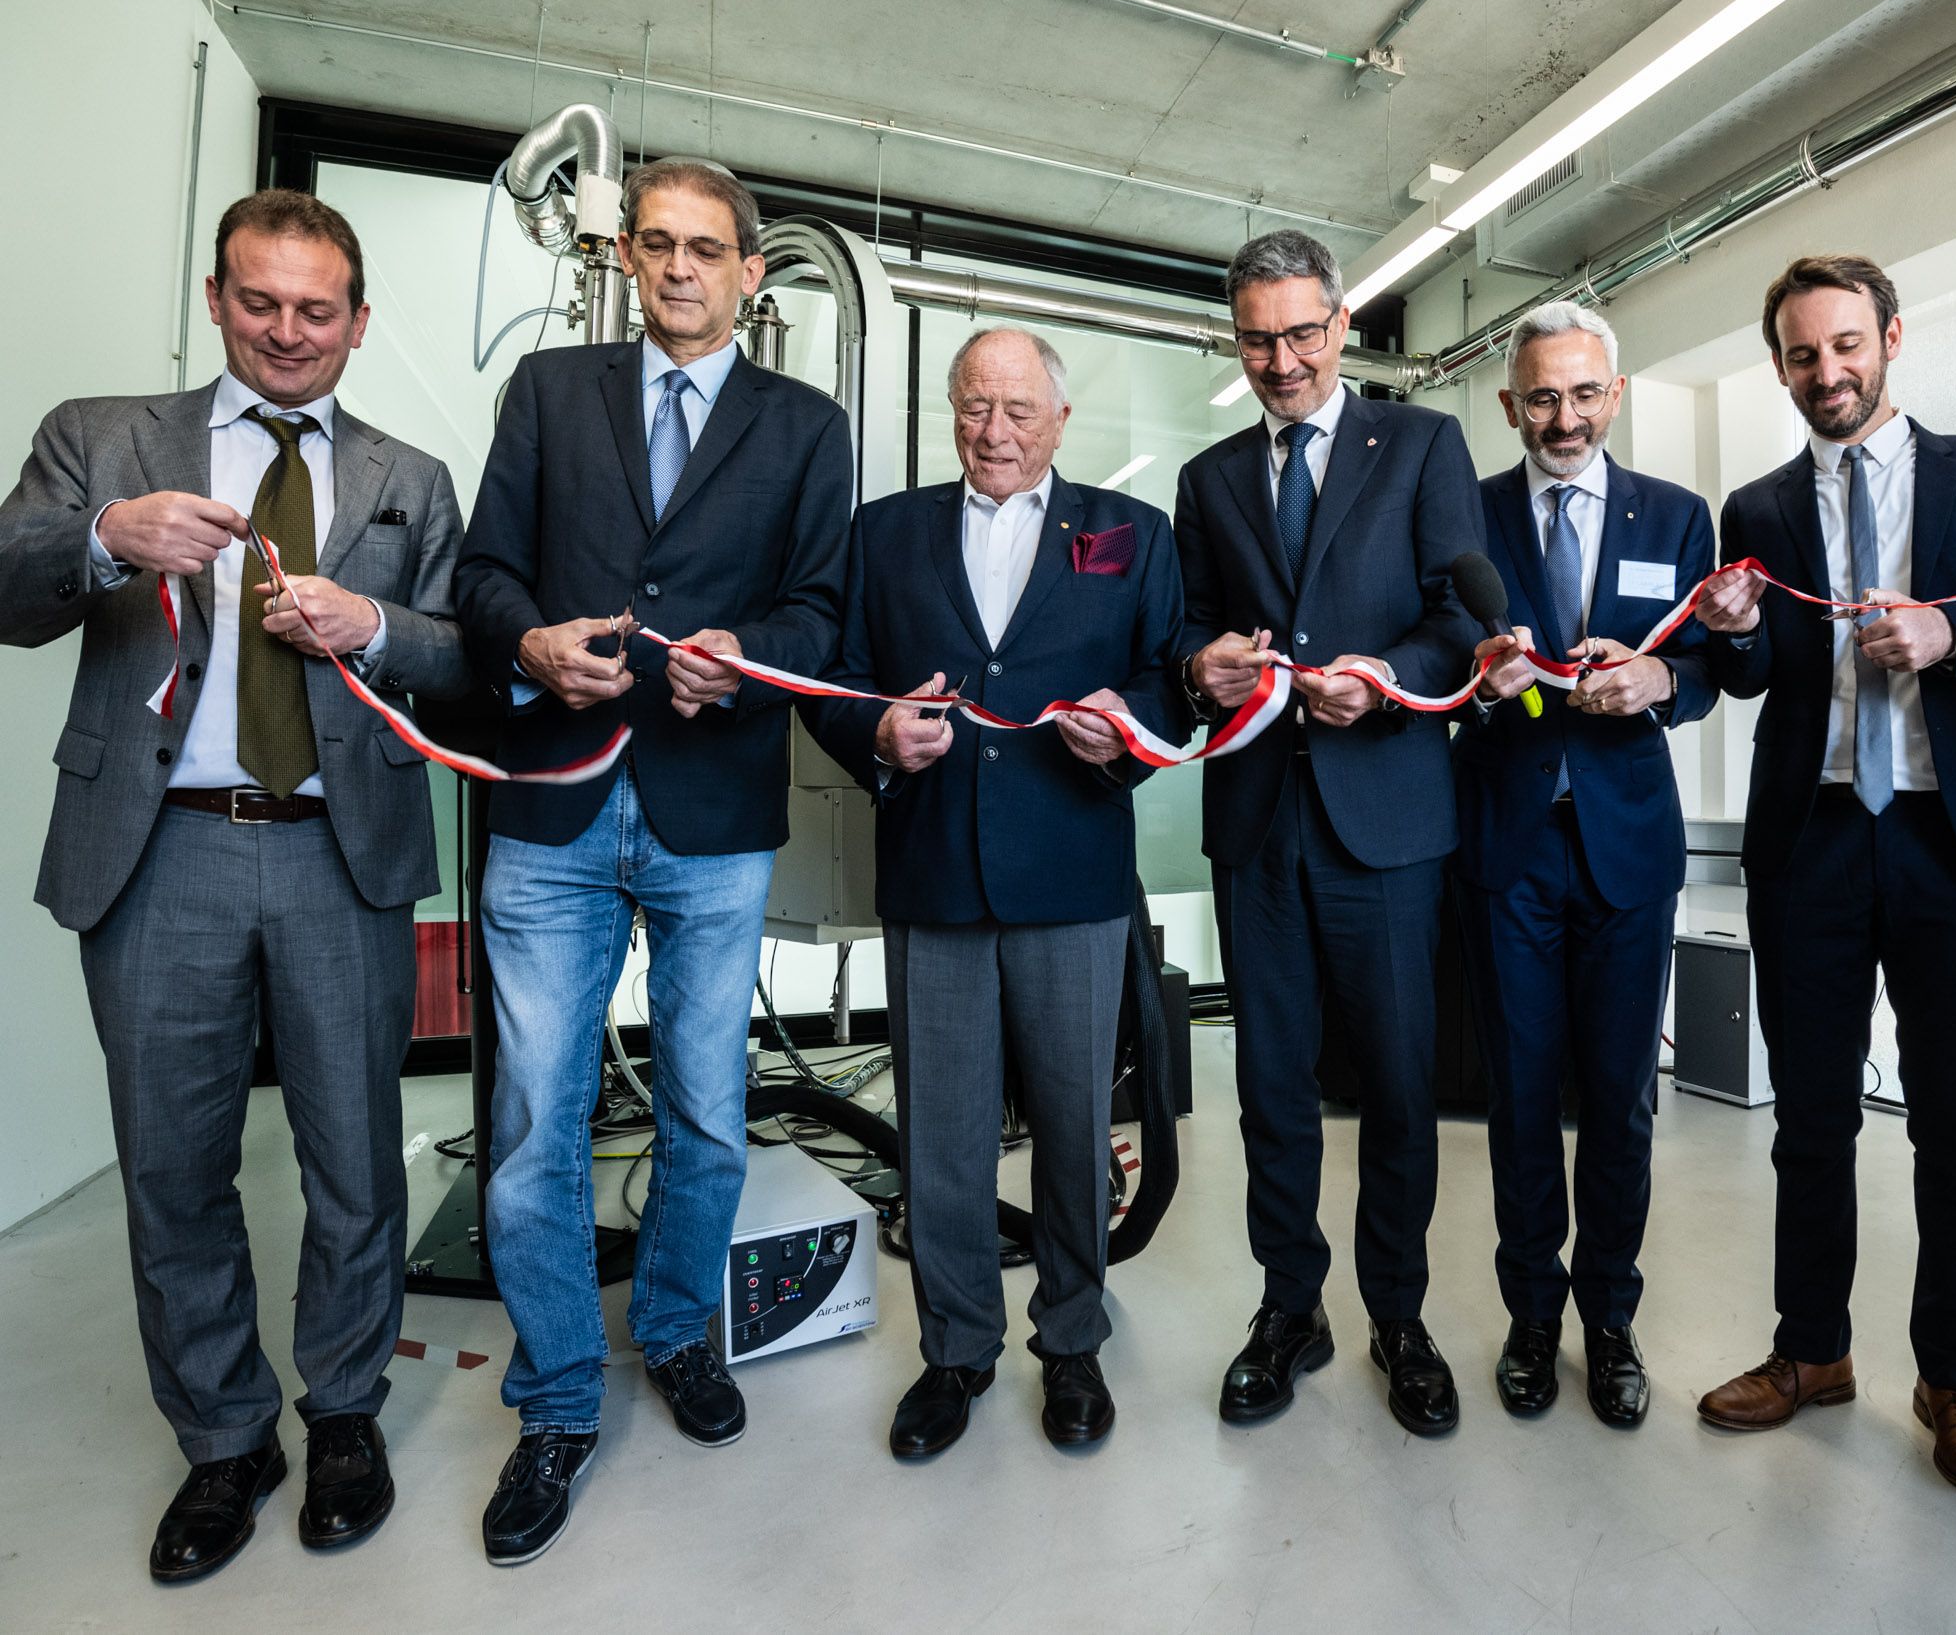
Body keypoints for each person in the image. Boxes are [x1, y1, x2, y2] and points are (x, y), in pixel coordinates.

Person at [0, 189, 469, 1580]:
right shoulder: (103, 440)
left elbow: (460, 657)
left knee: (353, 1158)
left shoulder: (410, 476)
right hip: (160, 853)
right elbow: (4, 586)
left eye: (316, 310)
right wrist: (104, 539)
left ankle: (340, 1412)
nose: (286, 331)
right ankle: (222, 1436)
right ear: (216, 299)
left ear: (358, 323)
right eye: (259, 302)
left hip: (341, 852)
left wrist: (375, 624)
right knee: (171, 1164)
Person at [453, 157, 850, 1565]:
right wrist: (526, 643)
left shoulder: (808, 423)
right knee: (533, 1127)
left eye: (710, 249)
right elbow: (485, 569)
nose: (682, 268)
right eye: (660, 244)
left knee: (706, 1108)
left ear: (753, 272)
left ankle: (678, 1329)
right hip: (554, 801)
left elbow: (819, 607)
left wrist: (751, 665)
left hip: (712, 806)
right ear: (628, 257)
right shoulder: (552, 394)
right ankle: (557, 1396)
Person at [1690, 253, 1956, 1498]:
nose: (1828, 373)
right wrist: (1736, 636)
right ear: (1779, 366)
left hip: (1952, 842)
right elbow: (1747, 682)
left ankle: (1951, 1376)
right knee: (1809, 1119)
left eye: (1846, 345)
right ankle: (1812, 1350)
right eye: (1803, 355)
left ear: (1891, 339)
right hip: (1811, 840)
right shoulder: (1753, 505)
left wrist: (1951, 629)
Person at [804, 327, 1184, 1458]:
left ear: (1061, 420)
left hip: (1072, 869)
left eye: (1018, 410)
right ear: (951, 413)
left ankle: (1070, 1339)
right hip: (934, 869)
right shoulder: (886, 532)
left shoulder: (1130, 532)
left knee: (1074, 1126)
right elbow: (827, 678)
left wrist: (1122, 726)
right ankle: (955, 1350)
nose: (995, 431)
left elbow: (1169, 679)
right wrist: (872, 727)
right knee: (945, 1137)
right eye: (974, 407)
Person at [1173, 228, 1483, 1436]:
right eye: (1258, 337)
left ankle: (1398, 1316)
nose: (1282, 358)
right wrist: (1199, 663)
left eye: (1303, 332)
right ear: (1236, 338)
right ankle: (1289, 1305)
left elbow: (1461, 616)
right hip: (1257, 822)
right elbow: (1184, 629)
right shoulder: (1206, 480)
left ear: (1342, 325)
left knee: (1401, 1085)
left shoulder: (1420, 443)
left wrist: (1388, 679)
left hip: (1386, 816)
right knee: (1268, 1085)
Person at [1454, 301, 1717, 1427]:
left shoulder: (1677, 514)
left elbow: (1707, 664)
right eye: (1540, 397)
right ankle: (1531, 1317)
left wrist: (1660, 683)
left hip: (1627, 844)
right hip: (1509, 838)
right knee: (1520, 1099)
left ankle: (1609, 1318)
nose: (1562, 416)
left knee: (1618, 1100)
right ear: (1511, 405)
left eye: (1582, 393)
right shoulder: (1461, 519)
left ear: (1614, 395)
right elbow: (1442, 660)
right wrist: (1476, 676)